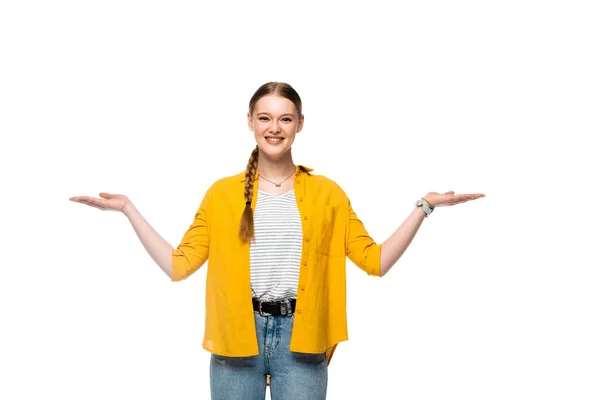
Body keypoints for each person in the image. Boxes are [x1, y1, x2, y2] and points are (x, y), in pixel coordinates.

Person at [69, 81, 485, 400]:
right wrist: (128, 210)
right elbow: (179, 265)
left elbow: (375, 261)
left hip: (302, 341)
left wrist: (424, 208)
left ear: (300, 124)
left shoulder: (328, 194)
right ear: (249, 121)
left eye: (285, 118)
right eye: (264, 117)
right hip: (236, 339)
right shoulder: (222, 194)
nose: (274, 127)